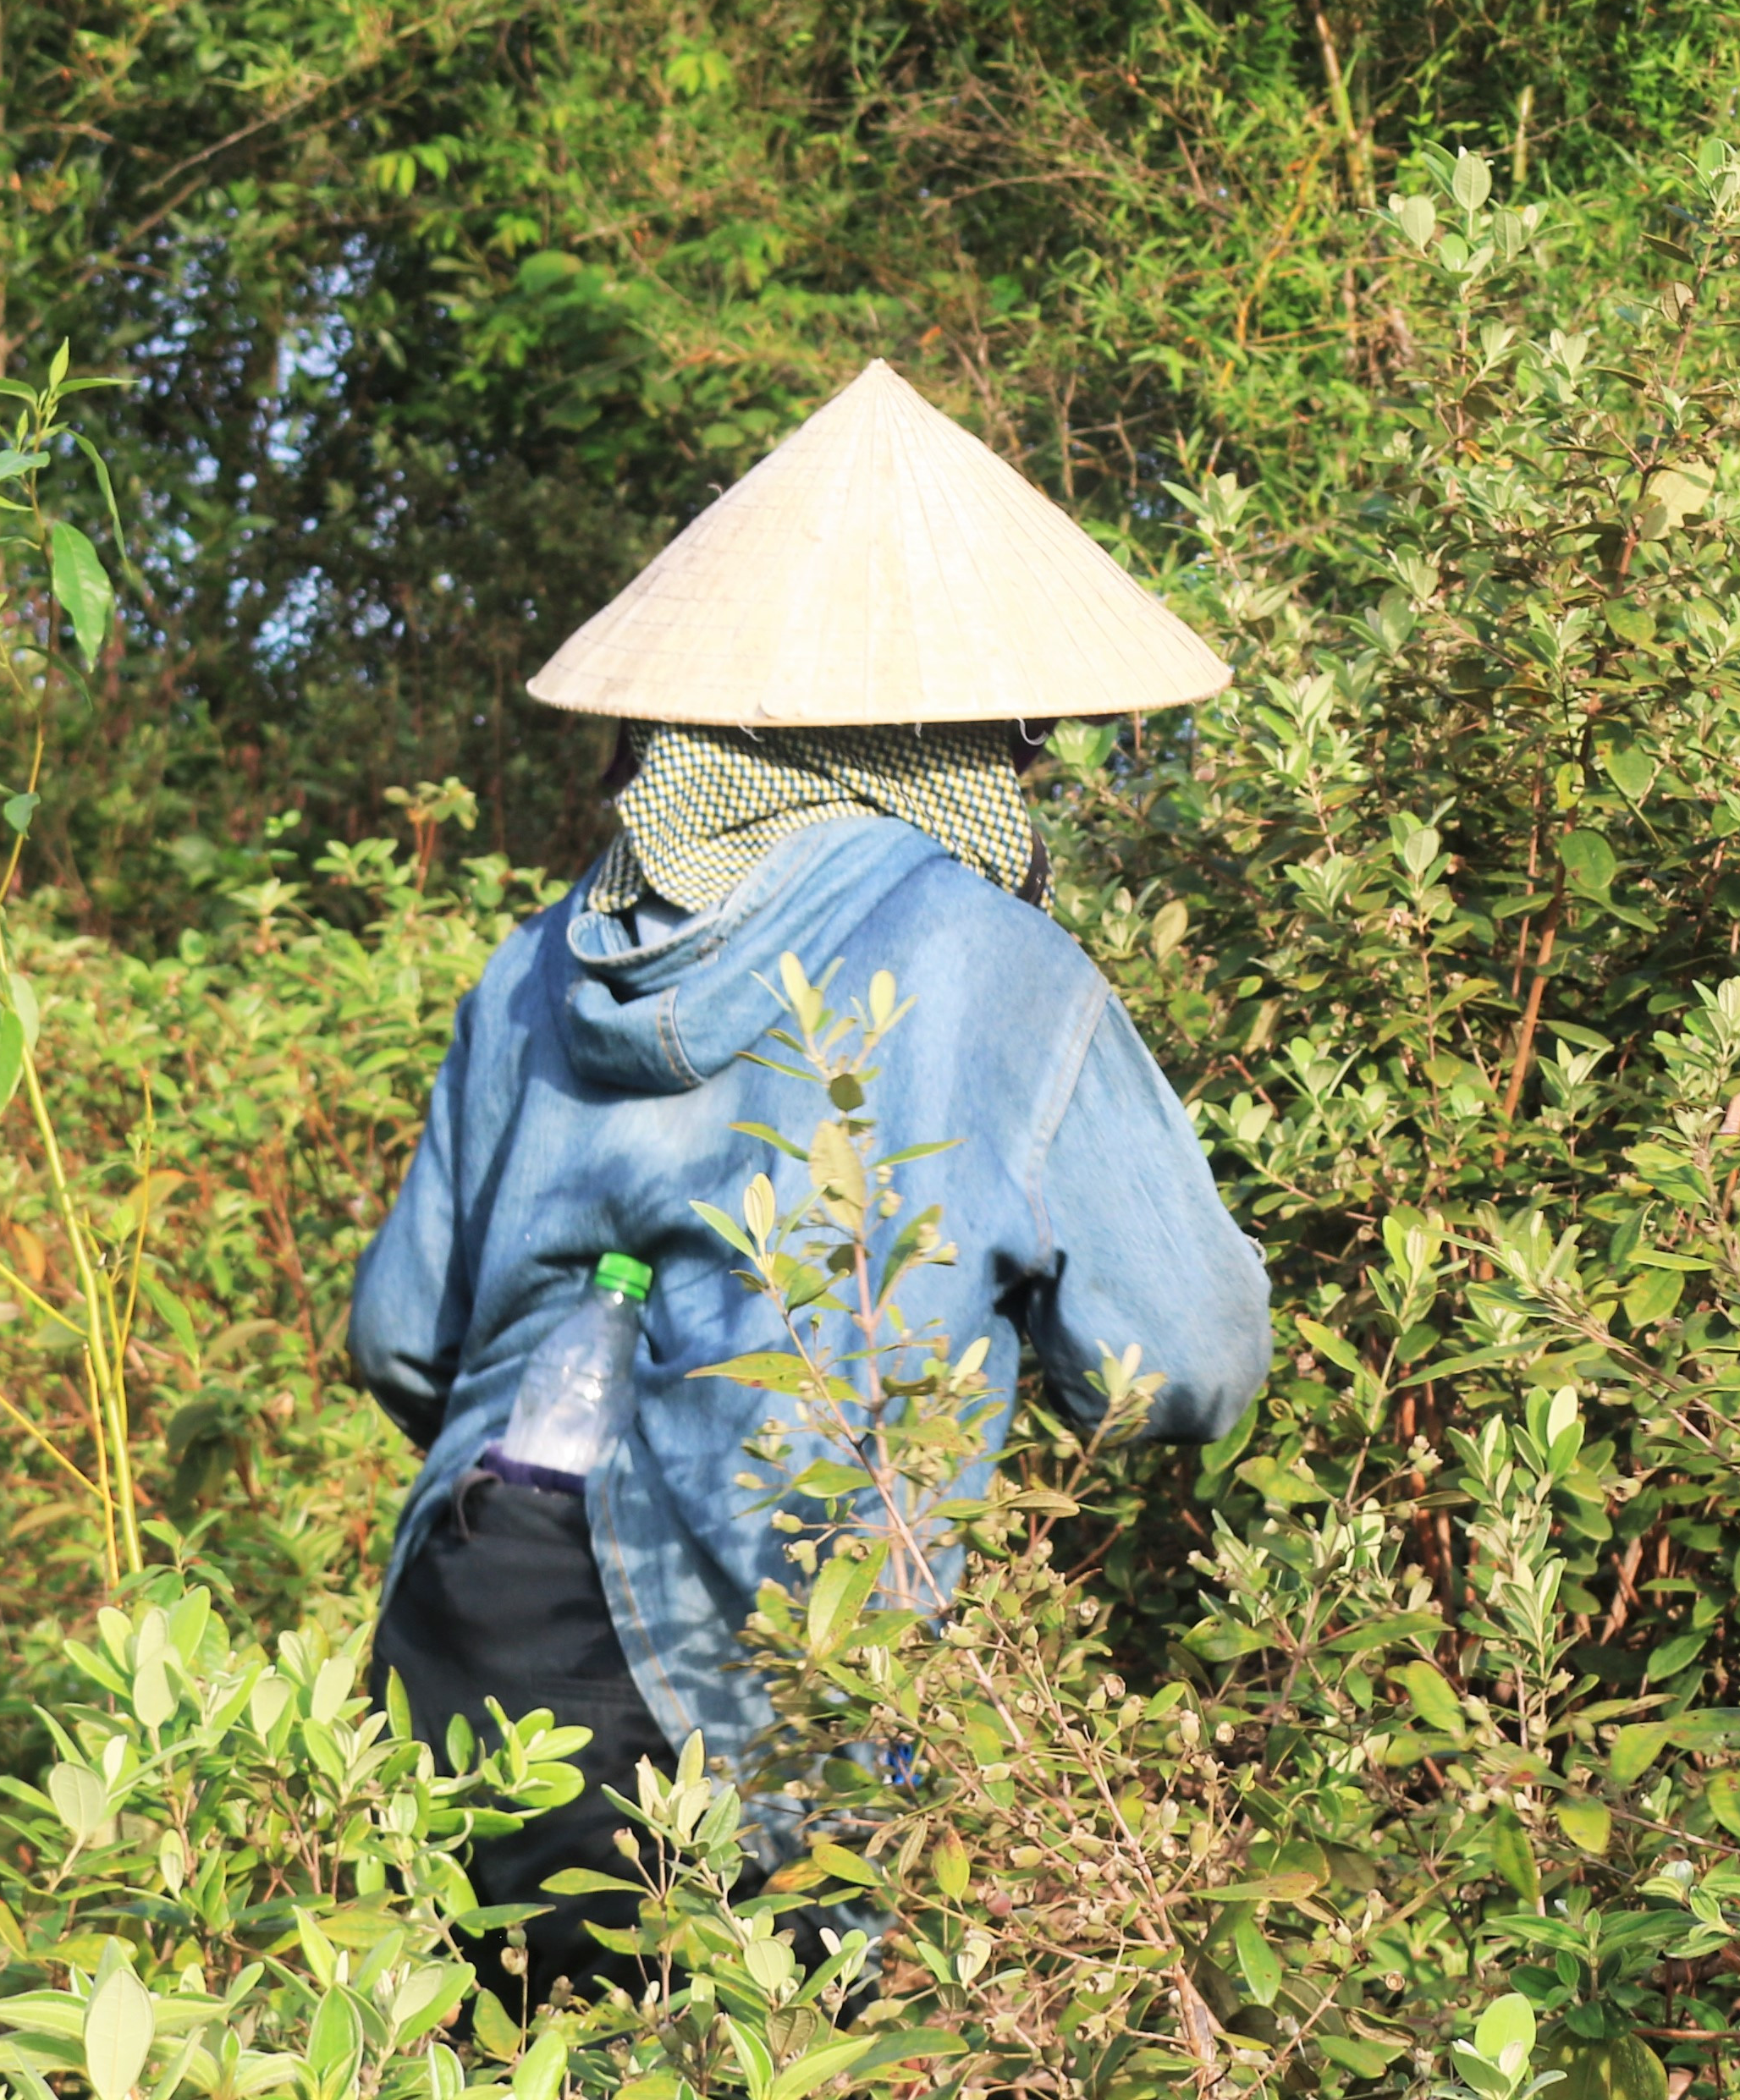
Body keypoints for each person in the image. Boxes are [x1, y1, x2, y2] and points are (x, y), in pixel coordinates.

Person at [349, 360, 1271, 1996]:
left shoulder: (533, 967)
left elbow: (403, 1346)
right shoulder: (990, 963)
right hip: (744, 1676)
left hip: (455, 1610)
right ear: (967, 742)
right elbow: (1189, 1363)